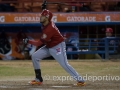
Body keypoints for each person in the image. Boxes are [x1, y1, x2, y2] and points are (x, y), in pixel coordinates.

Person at [23, 9, 85, 86]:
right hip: (49, 46)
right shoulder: (45, 23)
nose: (40, 17)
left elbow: (38, 43)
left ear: (47, 18)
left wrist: (28, 41)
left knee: (64, 64)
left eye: (42, 16)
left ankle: (80, 80)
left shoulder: (49, 29)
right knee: (35, 56)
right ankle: (38, 79)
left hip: (57, 46)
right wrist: (43, 7)